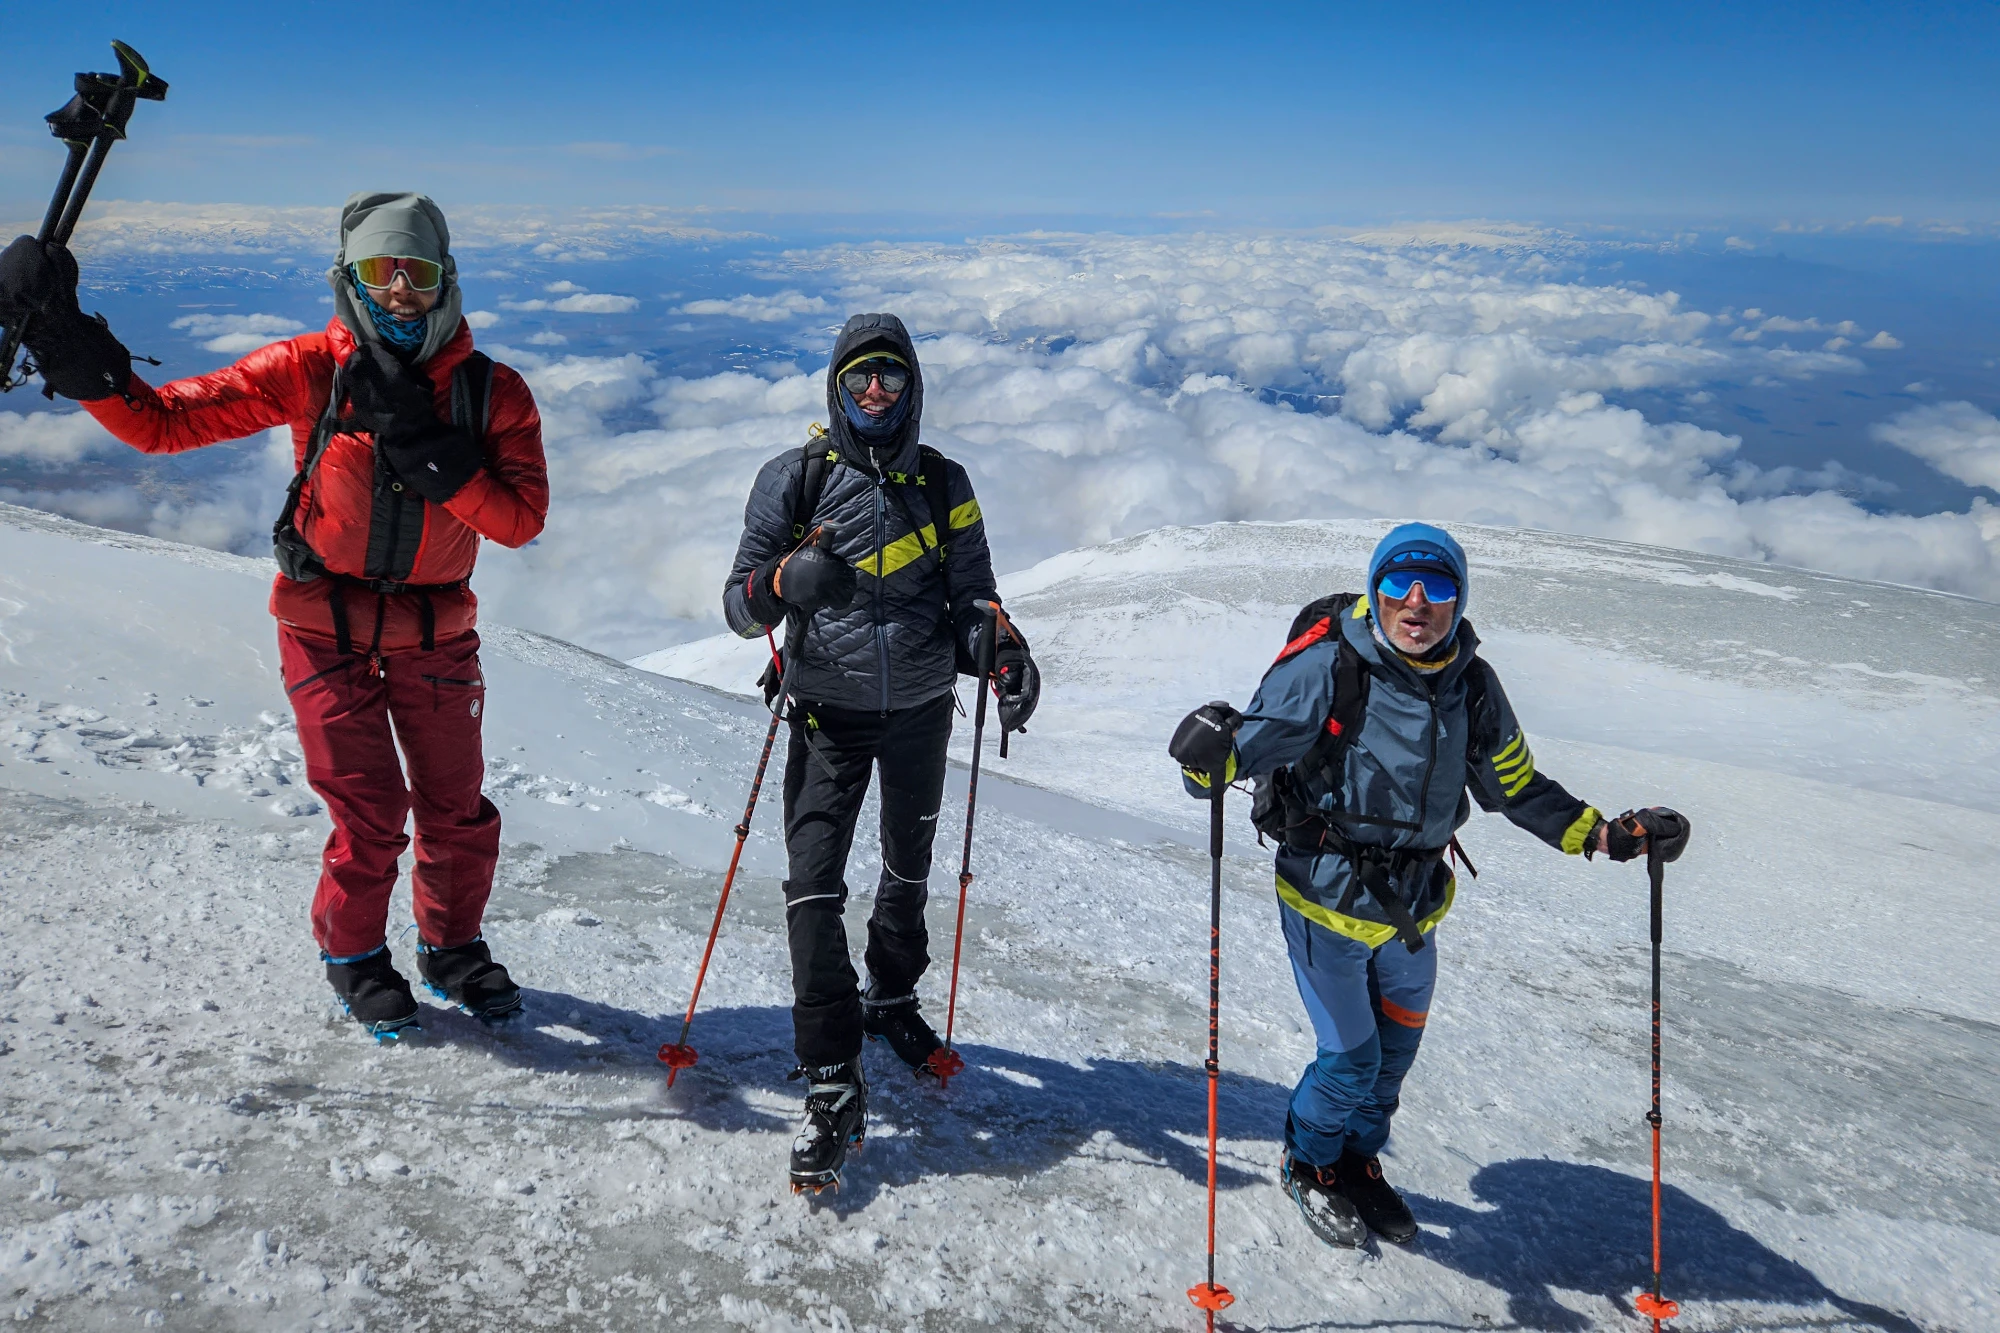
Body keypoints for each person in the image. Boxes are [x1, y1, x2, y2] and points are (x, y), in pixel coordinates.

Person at [0, 192, 549, 1040]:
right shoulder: (312, 369)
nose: (400, 290)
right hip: (320, 624)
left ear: (448, 282)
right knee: (369, 811)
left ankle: (452, 947)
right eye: (380, 270)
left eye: (419, 272)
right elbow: (164, 424)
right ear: (350, 278)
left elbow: (519, 521)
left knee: (456, 807)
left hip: (437, 631)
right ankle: (356, 955)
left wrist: (435, 457)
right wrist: (72, 349)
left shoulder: (491, 392)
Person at [1168, 523, 1687, 1248]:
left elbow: (1513, 784)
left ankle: (1356, 1157)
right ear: (1375, 589)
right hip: (1325, 897)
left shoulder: (1470, 686)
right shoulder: (1330, 667)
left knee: (1392, 1058)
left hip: (1413, 904)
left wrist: (1602, 833)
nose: (1417, 602)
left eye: (1437, 586)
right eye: (1399, 584)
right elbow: (1238, 755)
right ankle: (1309, 1161)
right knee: (1350, 1058)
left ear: (1458, 598)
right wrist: (1204, 757)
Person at [722, 312, 1040, 1193]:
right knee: (811, 887)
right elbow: (737, 606)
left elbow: (974, 599)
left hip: (920, 714)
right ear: (836, 384)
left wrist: (1005, 654)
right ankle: (831, 1067)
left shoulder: (945, 483)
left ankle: (891, 999)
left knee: (907, 871)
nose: (875, 391)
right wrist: (786, 581)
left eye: (891, 377)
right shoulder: (795, 479)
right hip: (825, 710)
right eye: (861, 375)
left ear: (913, 388)